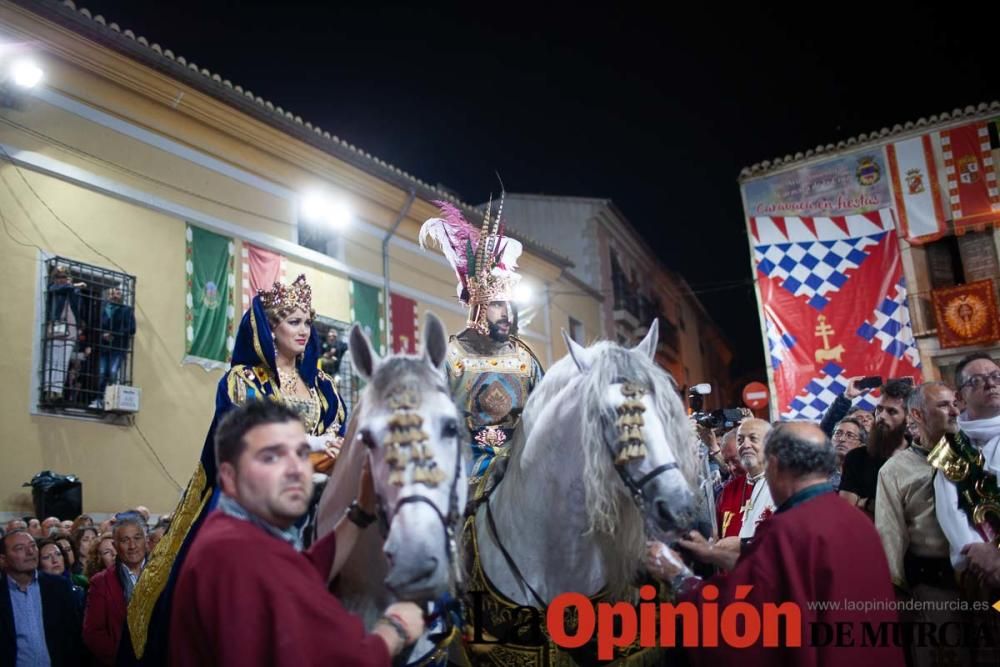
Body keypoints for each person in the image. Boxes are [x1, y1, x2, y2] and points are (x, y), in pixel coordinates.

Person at [125, 274, 350, 665]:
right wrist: (311, 443)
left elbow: (339, 429)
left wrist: (335, 443)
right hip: (256, 492)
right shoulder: (243, 380)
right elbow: (247, 436)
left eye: (307, 322)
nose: (303, 330)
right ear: (271, 328)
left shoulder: (324, 386)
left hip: (321, 482)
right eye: (293, 322)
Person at [169, 400, 425, 666]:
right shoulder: (239, 556)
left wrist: (361, 511)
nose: (296, 470)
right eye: (271, 457)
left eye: (301, 453)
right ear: (229, 477)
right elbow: (339, 656)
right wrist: (394, 628)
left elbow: (302, 573)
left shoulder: (231, 529)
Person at [647, 422, 904, 667]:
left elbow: (743, 621)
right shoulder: (857, 520)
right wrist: (713, 553)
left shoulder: (788, 530)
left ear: (775, 465)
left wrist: (680, 577)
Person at [419, 197, 543, 500]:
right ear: (476, 306)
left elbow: (544, 418)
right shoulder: (448, 358)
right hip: (460, 481)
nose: (507, 315)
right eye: (497, 305)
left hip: (520, 480)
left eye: (509, 306)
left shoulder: (525, 360)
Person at [875, 382, 966, 667]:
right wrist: (897, 592)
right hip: (935, 586)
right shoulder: (895, 469)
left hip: (988, 583)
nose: (954, 411)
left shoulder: (976, 454)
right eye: (943, 405)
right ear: (917, 414)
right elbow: (890, 533)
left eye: (955, 403)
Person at [932, 353, 1000, 590]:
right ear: (959, 397)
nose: (991, 384)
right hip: (989, 573)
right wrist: (983, 556)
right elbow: (951, 512)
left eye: (995, 377)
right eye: (977, 381)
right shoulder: (952, 449)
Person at [1, 529, 83, 666]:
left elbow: (73, 637)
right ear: (3, 559)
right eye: (20, 548)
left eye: (33, 546)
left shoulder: (59, 587)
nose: (30, 552)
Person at [839, 379, 912, 519]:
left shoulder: (921, 455)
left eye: (892, 411)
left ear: (908, 418)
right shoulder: (856, 458)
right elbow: (847, 513)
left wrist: (867, 504)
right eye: (879, 409)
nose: (881, 416)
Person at [84, 518, 147, 665]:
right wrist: (122, 658)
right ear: (115, 546)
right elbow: (93, 633)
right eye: (125, 540)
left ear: (146, 540)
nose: (132, 546)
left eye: (137, 538)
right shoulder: (101, 582)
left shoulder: (165, 575)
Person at [89, 285, 136, 409]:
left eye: (119, 293)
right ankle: (99, 399)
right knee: (102, 372)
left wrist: (114, 334)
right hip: (104, 346)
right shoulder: (102, 309)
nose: (117, 295)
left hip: (118, 347)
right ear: (109, 295)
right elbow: (95, 327)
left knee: (113, 372)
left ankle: (110, 399)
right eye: (114, 293)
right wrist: (102, 335)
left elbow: (132, 329)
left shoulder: (127, 310)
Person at [829, 416, 866, 489]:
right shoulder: (817, 470)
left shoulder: (866, 475)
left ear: (861, 445)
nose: (841, 439)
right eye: (838, 433)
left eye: (850, 436)